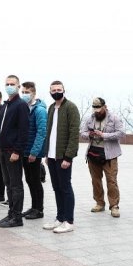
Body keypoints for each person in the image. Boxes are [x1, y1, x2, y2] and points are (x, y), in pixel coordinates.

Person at [42, 80, 81, 234]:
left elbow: (73, 134)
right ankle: (60, 218)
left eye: (59, 89)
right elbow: (49, 132)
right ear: (50, 92)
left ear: (64, 90)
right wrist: (46, 154)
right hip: (51, 156)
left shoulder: (71, 107)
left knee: (65, 187)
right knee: (56, 187)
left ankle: (69, 221)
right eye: (53, 89)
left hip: (63, 156)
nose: (56, 91)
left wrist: (68, 157)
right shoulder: (51, 107)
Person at [80, 97, 125, 218]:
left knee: (111, 180)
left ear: (105, 107)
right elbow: (82, 132)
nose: (97, 112)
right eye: (95, 109)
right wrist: (89, 134)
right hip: (93, 153)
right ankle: (99, 203)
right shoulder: (89, 118)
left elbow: (121, 133)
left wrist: (103, 135)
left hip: (110, 155)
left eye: (99, 109)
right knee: (96, 180)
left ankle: (114, 206)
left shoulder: (114, 118)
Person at [0, 75, 29, 228]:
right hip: (3, 150)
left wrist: (17, 151)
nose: (9, 86)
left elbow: (23, 130)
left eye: (12, 84)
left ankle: (17, 216)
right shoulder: (5, 106)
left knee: (16, 185)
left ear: (18, 86)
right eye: (7, 84)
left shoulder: (20, 105)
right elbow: (0, 128)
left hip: (12, 152)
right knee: (8, 184)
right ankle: (11, 212)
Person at [20, 82, 48, 220]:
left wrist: (34, 152)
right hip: (25, 150)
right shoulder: (26, 108)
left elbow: (42, 132)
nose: (24, 94)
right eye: (23, 92)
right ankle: (33, 206)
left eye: (27, 92)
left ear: (33, 93)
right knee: (30, 180)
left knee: (35, 180)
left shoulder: (39, 110)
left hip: (33, 152)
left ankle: (39, 209)